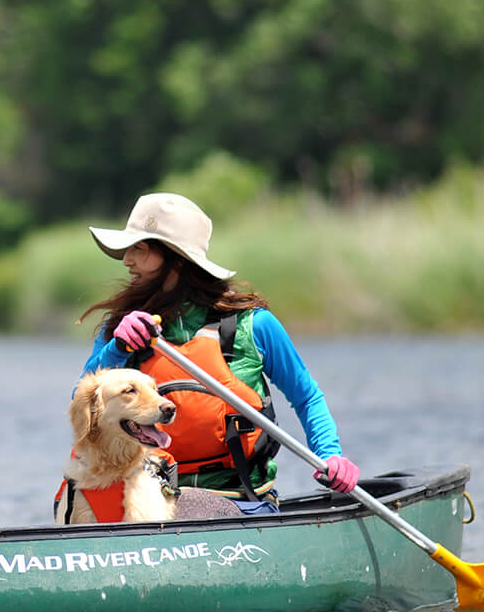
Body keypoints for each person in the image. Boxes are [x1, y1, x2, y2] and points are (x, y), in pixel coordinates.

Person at [78, 191, 359, 516]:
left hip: (243, 501)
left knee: (196, 510)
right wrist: (116, 350)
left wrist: (330, 455)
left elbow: (306, 396)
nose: (127, 260)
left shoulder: (253, 325)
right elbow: (82, 406)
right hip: (148, 500)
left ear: (176, 258)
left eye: (138, 249)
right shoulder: (124, 331)